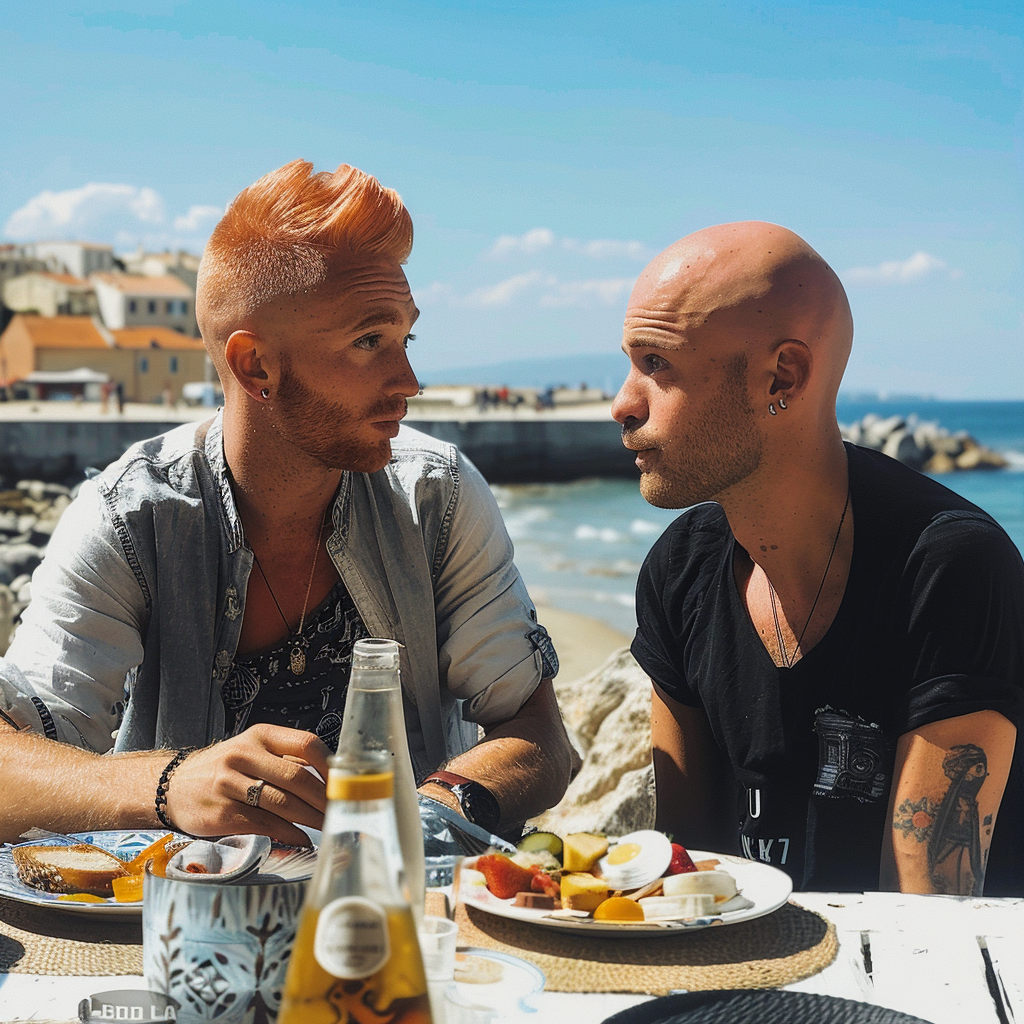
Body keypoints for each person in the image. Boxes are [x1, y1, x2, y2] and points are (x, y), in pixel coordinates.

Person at [0, 160, 578, 848]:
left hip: (402, 916)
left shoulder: (437, 494)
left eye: (405, 338)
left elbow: (539, 735)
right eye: (369, 341)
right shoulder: (131, 518)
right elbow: (13, 759)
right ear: (255, 367)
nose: (410, 380)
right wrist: (173, 783)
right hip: (196, 924)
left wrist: (417, 819)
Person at [612, 221, 1022, 895]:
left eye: (657, 364)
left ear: (783, 375)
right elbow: (681, 878)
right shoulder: (678, 570)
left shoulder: (948, 568)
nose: (622, 404)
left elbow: (928, 918)